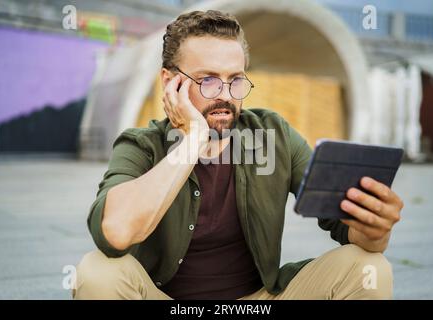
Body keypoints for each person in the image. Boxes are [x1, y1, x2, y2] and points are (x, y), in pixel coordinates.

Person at [73, 10, 403, 300]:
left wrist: (375, 228)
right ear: (169, 82)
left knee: (369, 268)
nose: (226, 96)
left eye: (235, 80)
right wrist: (193, 139)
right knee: (96, 272)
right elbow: (115, 233)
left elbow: (349, 229)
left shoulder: (273, 134)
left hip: (256, 300)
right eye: (208, 81)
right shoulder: (142, 145)